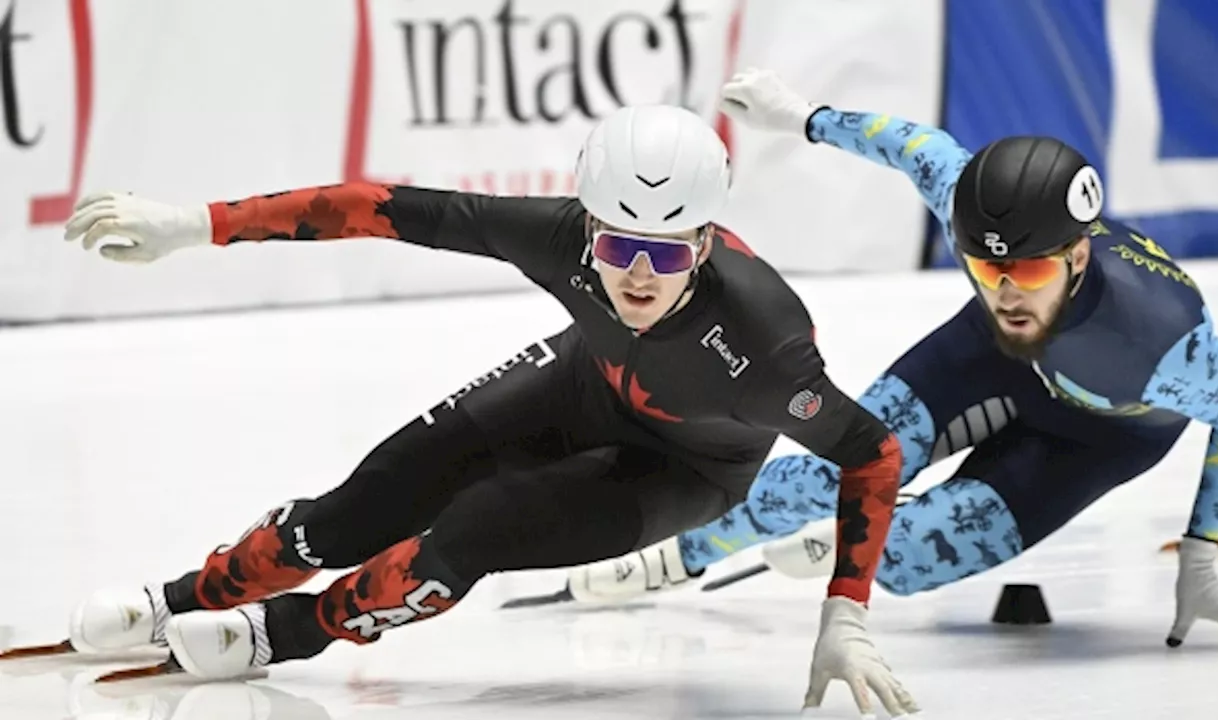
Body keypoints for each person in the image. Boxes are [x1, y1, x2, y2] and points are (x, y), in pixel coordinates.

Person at [56, 104, 920, 715]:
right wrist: (197, 225)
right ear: (588, 228)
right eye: (619, 246)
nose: (640, 275)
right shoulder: (558, 237)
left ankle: (292, 631)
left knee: (476, 531)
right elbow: (380, 210)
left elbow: (871, 452)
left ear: (704, 241)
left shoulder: (765, 349)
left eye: (667, 251)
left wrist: (846, 609)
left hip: (687, 467)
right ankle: (186, 595)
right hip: (583, 384)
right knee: (366, 503)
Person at [563, 70, 1218, 650]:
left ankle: (881, 525)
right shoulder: (976, 215)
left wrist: (1201, 551)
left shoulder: (1163, 344)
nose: (1003, 293)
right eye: (982, 269)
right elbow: (916, 145)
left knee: (901, 564)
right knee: (822, 475)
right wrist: (804, 116)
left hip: (1099, 437)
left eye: (1027, 277)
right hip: (986, 362)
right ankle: (681, 552)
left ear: (1078, 256)